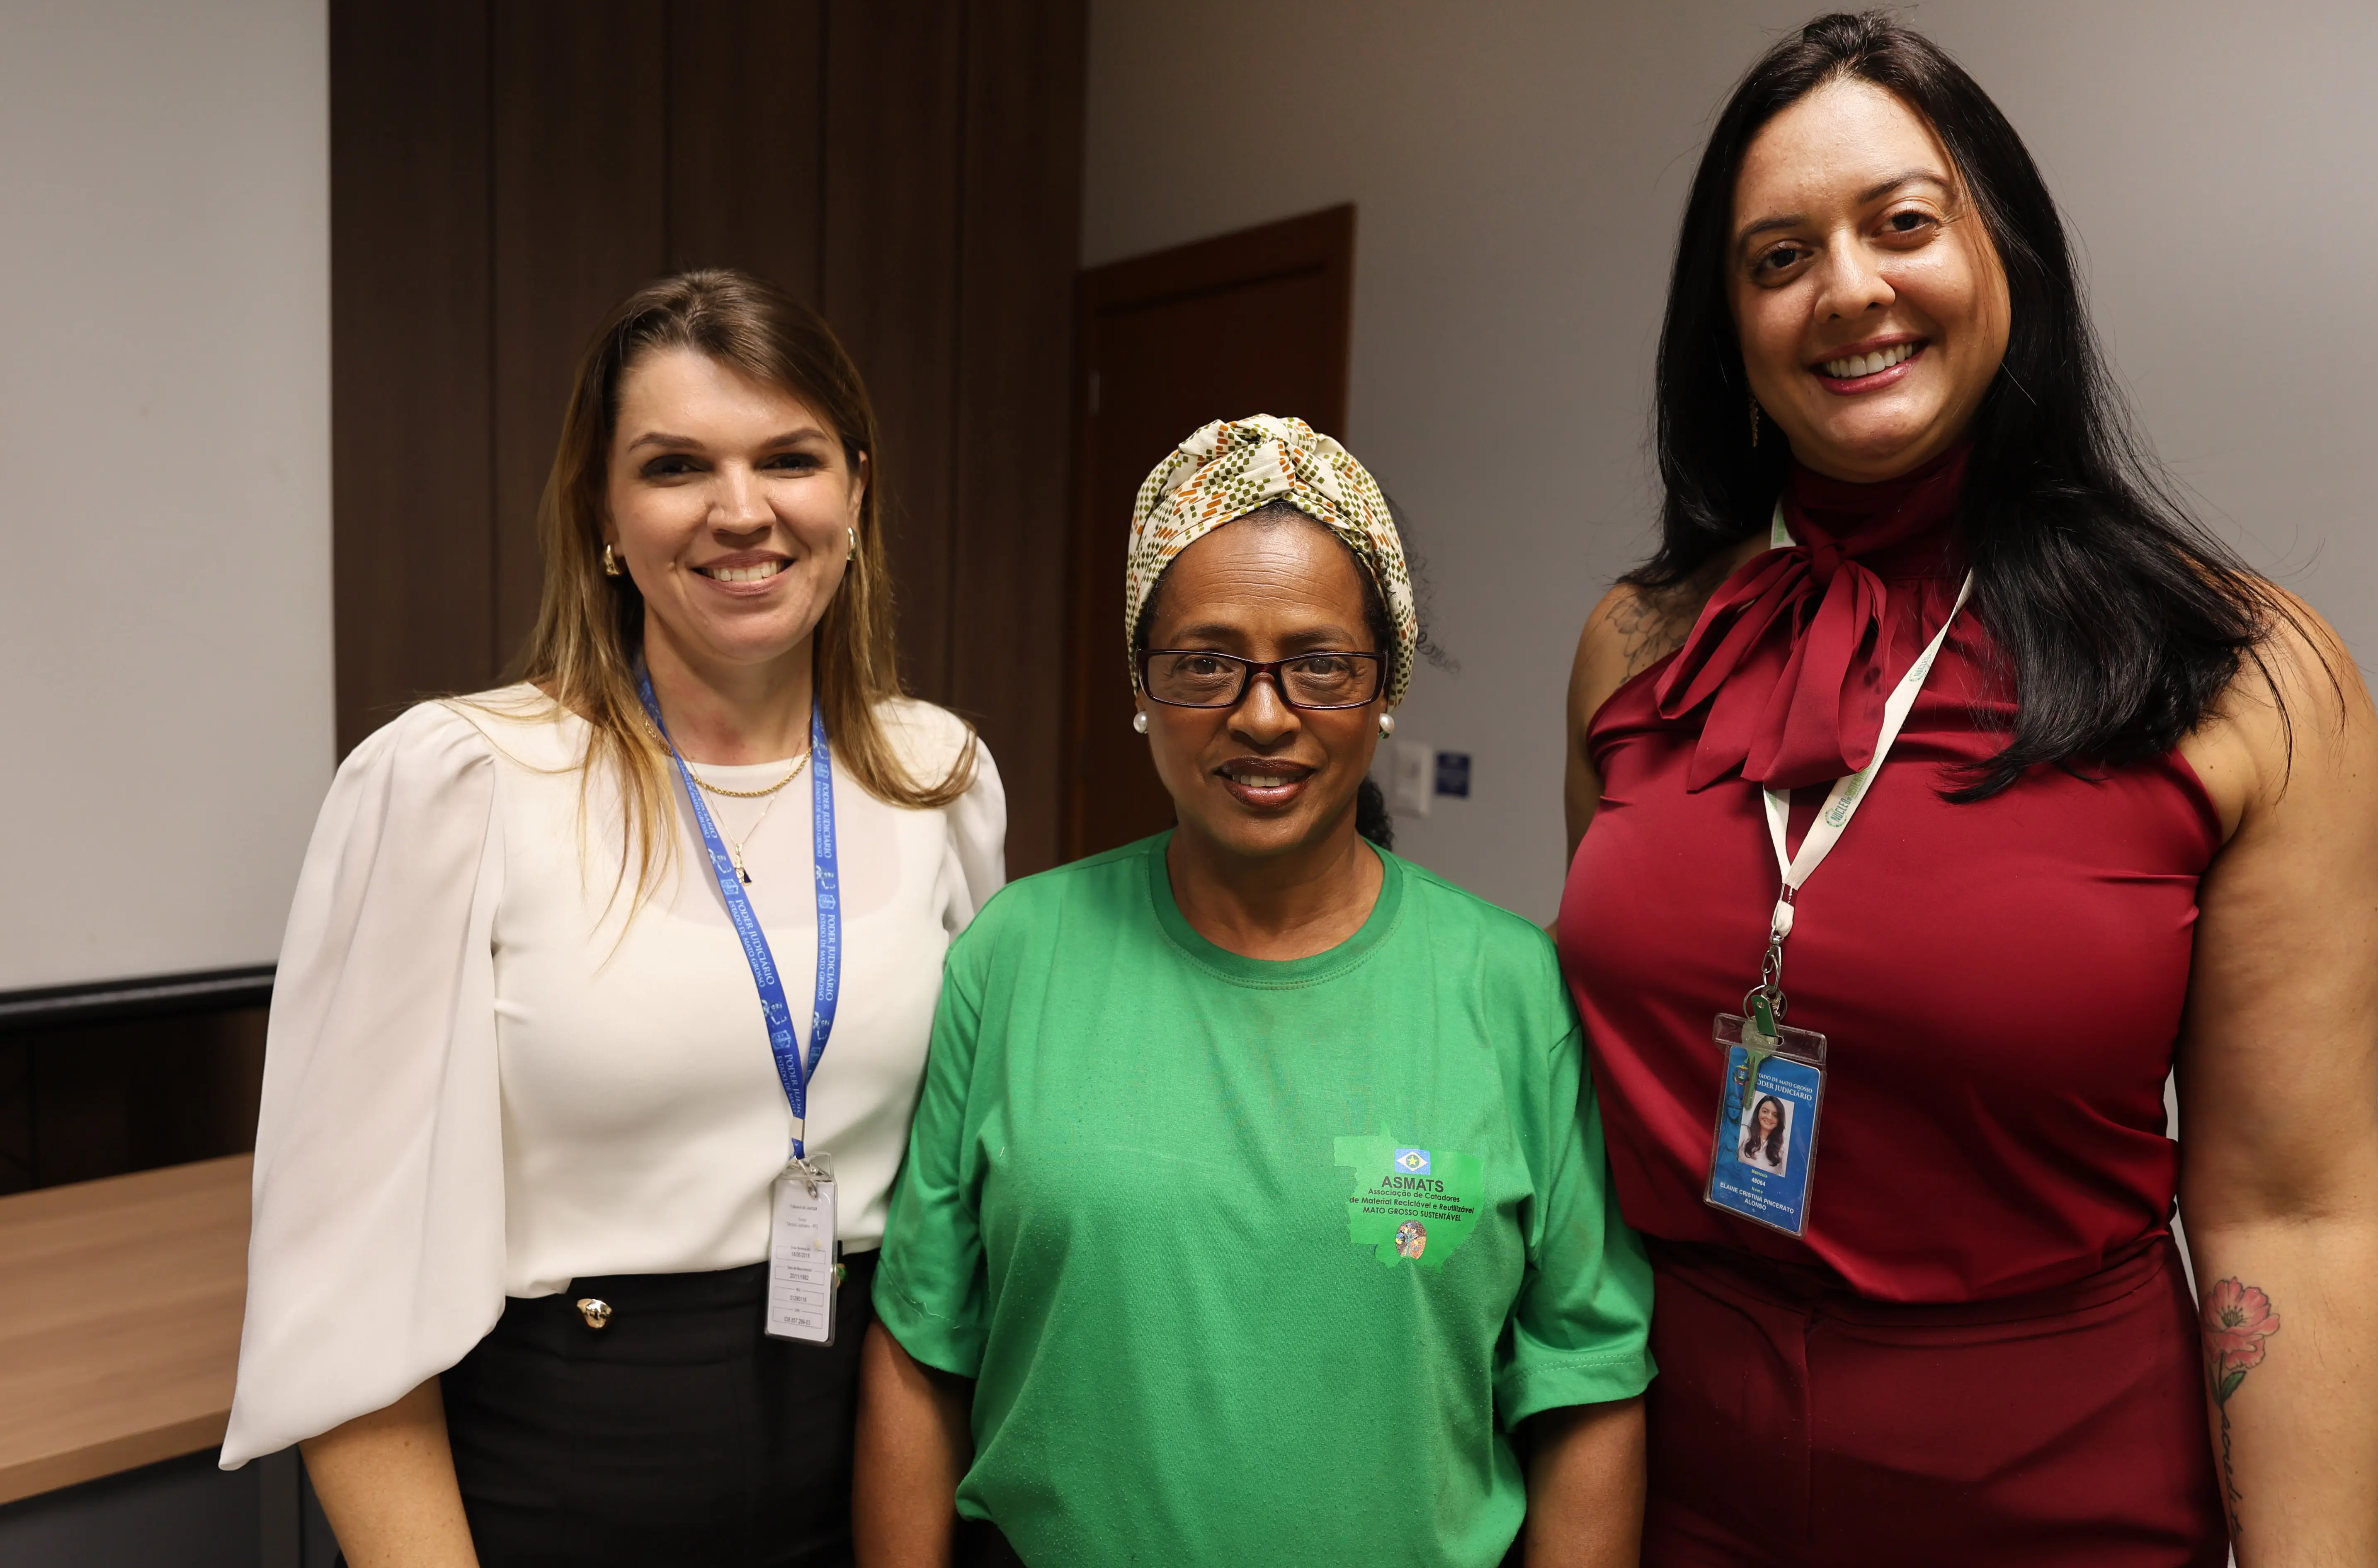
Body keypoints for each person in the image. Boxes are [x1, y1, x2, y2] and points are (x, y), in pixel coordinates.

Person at [1559, 13, 2378, 1566]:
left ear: (2005, 253)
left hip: (2051, 1498)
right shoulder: (1636, 648)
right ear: (1728, 327)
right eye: (1776, 256)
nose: (1849, 289)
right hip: (1671, 1479)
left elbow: (2291, 1214)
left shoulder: (2247, 677)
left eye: (1901, 223)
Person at [218, 270, 1005, 1567]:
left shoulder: (937, 775)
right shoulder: (456, 783)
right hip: (563, 1484)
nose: (741, 510)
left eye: (790, 458)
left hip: (874, 1475)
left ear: (854, 493)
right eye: (676, 464)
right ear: (603, 509)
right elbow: (338, 1306)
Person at [856, 416, 1655, 1568]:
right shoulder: (1016, 956)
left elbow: (1584, 1382)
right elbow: (923, 1346)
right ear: (1143, 685)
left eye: (1322, 664)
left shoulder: (1509, 988)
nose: (1265, 713)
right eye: (1205, 663)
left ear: (1385, 687)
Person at [1737, 1096, 1788, 1176]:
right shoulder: (1744, 1132)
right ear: (1758, 1112)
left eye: (1775, 1115)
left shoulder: (1784, 1146)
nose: (1769, 1117)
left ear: (1779, 1121)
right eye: (1765, 1111)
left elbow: (1789, 1177)